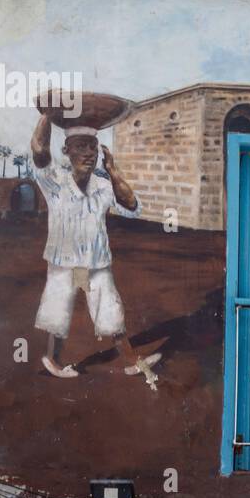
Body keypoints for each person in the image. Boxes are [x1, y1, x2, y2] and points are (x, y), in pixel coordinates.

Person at [30, 112, 159, 380]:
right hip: (64, 261)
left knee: (110, 309)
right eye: (80, 146)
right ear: (66, 150)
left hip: (96, 262)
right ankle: (52, 361)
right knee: (58, 309)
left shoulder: (103, 183)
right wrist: (48, 113)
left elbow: (131, 204)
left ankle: (131, 360)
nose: (88, 153)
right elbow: (39, 149)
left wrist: (113, 171)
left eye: (92, 146)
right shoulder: (54, 180)